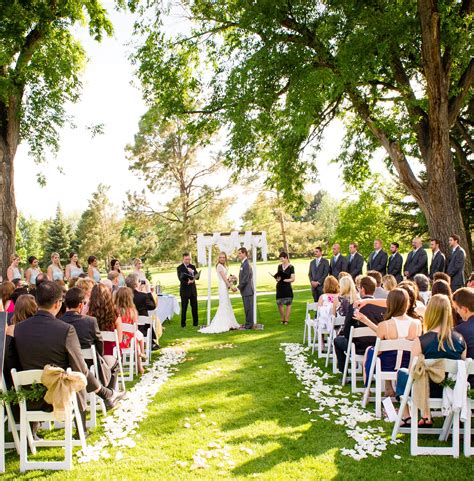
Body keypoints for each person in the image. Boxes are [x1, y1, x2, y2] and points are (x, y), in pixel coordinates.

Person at [6, 281, 123, 417]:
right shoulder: (65, 329)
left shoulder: (19, 329)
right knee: (77, 371)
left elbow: (13, 361)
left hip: (30, 396)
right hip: (61, 393)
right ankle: (84, 426)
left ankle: (106, 394)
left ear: (37, 303)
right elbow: (81, 368)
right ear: (57, 303)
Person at [395, 294, 466, 427]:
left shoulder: (421, 341)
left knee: (402, 373)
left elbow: (412, 373)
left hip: (425, 390)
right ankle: (426, 416)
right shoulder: (460, 340)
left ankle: (407, 416)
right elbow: (462, 371)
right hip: (450, 389)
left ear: (429, 313)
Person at [356, 288, 422, 395]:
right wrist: (366, 321)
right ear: (407, 303)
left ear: (390, 304)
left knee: (371, 351)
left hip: (386, 365)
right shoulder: (417, 324)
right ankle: (388, 388)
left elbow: (378, 351)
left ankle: (367, 388)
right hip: (407, 364)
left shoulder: (384, 325)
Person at [61, 287, 117, 389]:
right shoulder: (90, 321)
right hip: (90, 363)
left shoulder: (59, 322)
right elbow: (100, 343)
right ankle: (109, 393)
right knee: (114, 363)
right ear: (81, 305)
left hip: (68, 363)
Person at [334, 276, 386, 373]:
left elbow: (347, 331)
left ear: (362, 289)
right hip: (376, 346)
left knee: (337, 340)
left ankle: (343, 371)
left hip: (358, 347)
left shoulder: (355, 306)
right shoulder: (382, 308)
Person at [199, 252, 240, 334]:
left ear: (225, 258)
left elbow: (226, 277)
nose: (222, 259)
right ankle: (222, 324)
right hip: (222, 286)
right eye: (220, 257)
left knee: (227, 304)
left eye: (223, 257)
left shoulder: (224, 265)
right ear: (219, 258)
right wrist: (231, 286)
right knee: (223, 304)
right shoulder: (219, 266)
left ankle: (229, 323)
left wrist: (231, 279)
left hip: (225, 285)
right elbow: (224, 279)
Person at [114, 286, 146, 374]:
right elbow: (135, 327)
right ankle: (141, 357)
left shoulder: (114, 310)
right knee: (138, 338)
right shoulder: (132, 311)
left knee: (136, 338)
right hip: (129, 341)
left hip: (117, 341)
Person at [89, 283, 123, 358]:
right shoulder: (115, 315)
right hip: (112, 355)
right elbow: (119, 340)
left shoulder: (88, 315)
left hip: (94, 356)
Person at [125, 273, 159, 349]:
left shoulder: (123, 296)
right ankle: (151, 343)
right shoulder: (143, 296)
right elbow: (152, 306)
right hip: (142, 327)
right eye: (139, 281)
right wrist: (148, 291)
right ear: (136, 285)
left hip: (126, 326)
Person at [453, 288, 474, 384]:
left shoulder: (459, 331)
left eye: (457, 309)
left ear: (465, 309)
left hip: (468, 383)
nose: (457, 312)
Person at [177, 253, 199, 328]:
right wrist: (187, 282)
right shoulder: (179, 267)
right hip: (184, 291)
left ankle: (195, 324)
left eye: (189, 259)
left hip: (193, 291)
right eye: (186, 259)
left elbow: (197, 276)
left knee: (195, 308)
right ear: (183, 259)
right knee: (184, 308)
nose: (188, 261)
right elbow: (180, 278)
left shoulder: (192, 266)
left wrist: (192, 272)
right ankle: (183, 324)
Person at [274, 252, 295, 325]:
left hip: (287, 287)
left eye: (282, 258)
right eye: (280, 259)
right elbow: (278, 276)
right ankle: (282, 318)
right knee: (279, 303)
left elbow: (293, 279)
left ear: (286, 257)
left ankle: (286, 319)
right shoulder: (279, 266)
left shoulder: (291, 267)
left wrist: (285, 280)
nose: (281, 260)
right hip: (279, 287)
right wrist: (277, 279)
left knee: (288, 303)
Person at [237, 247, 254, 329]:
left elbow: (245, 279)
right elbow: (242, 276)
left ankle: (249, 324)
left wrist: (238, 287)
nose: (238, 255)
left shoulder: (246, 264)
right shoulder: (243, 263)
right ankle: (248, 323)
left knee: (248, 309)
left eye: (240, 253)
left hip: (247, 290)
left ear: (244, 253)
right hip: (245, 290)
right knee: (247, 308)